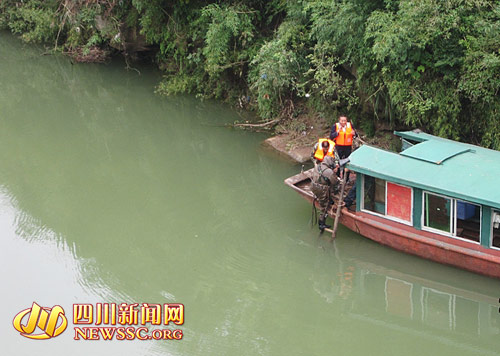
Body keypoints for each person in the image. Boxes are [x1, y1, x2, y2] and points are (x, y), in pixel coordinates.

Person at [311, 155, 339, 232]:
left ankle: (326, 199)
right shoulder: (329, 172)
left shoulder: (318, 166)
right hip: (321, 190)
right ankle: (321, 224)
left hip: (313, 186)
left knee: (324, 197)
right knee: (324, 206)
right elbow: (335, 182)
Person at [330, 116, 357, 182]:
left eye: (344, 120)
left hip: (348, 147)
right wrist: (337, 132)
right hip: (338, 146)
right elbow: (331, 136)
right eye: (342, 120)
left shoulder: (350, 125)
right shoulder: (335, 126)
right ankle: (338, 177)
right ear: (339, 121)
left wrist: (354, 134)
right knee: (337, 162)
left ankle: (346, 179)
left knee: (347, 162)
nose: (343, 122)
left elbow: (356, 135)